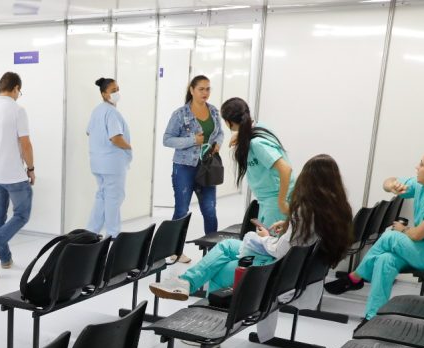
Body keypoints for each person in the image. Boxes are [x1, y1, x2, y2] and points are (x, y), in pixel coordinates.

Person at [148, 153, 353, 301]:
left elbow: (280, 250)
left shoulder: (304, 211)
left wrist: (264, 237)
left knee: (220, 271)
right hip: (295, 268)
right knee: (227, 245)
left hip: (274, 268)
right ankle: (185, 283)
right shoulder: (337, 209)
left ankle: (204, 321)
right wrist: (288, 225)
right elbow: (303, 237)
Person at [325, 147, 424, 320]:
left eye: (422, 164)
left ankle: (355, 278)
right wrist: (392, 185)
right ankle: (372, 318)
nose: (417, 167)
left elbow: (417, 235)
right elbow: (388, 182)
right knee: (385, 260)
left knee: (391, 236)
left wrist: (402, 229)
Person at [0, 71, 35, 278]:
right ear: (16, 88)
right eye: (20, 91)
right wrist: (31, 169)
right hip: (15, 175)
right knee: (22, 214)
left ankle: (5, 259)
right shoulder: (18, 111)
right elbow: (26, 145)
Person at [162, 75, 224, 262]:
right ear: (192, 90)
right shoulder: (180, 114)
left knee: (210, 209)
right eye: (201, 89)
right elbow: (167, 139)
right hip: (184, 167)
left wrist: (217, 143)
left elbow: (220, 133)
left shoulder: (214, 111)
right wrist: (192, 140)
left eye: (208, 89)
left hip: (207, 167)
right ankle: (175, 251)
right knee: (181, 210)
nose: (205, 93)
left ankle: (213, 252)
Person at [220, 97, 295, 228]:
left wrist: (281, 202)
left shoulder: (257, 144)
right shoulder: (259, 127)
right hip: (270, 199)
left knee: (268, 239)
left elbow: (286, 169)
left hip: (275, 200)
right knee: (264, 237)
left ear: (228, 122)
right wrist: (239, 135)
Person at [85, 77, 132, 238]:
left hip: (97, 162)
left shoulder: (97, 110)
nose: (117, 93)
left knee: (102, 196)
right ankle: (113, 234)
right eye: (113, 90)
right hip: (112, 164)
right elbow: (115, 138)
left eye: (117, 89)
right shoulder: (112, 112)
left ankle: (91, 232)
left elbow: (89, 131)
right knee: (113, 198)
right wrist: (129, 146)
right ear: (104, 94)